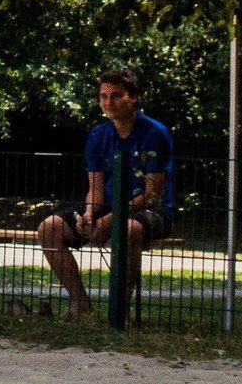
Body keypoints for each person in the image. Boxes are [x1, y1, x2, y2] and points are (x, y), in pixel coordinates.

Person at [35, 68, 174, 319]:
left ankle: (119, 311)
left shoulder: (155, 133)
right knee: (49, 227)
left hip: (150, 209)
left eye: (116, 96)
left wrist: (110, 220)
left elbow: (153, 193)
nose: (109, 102)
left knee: (128, 230)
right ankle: (79, 304)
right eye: (103, 96)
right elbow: (96, 188)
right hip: (108, 207)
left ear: (133, 97)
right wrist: (89, 215)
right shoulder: (98, 134)